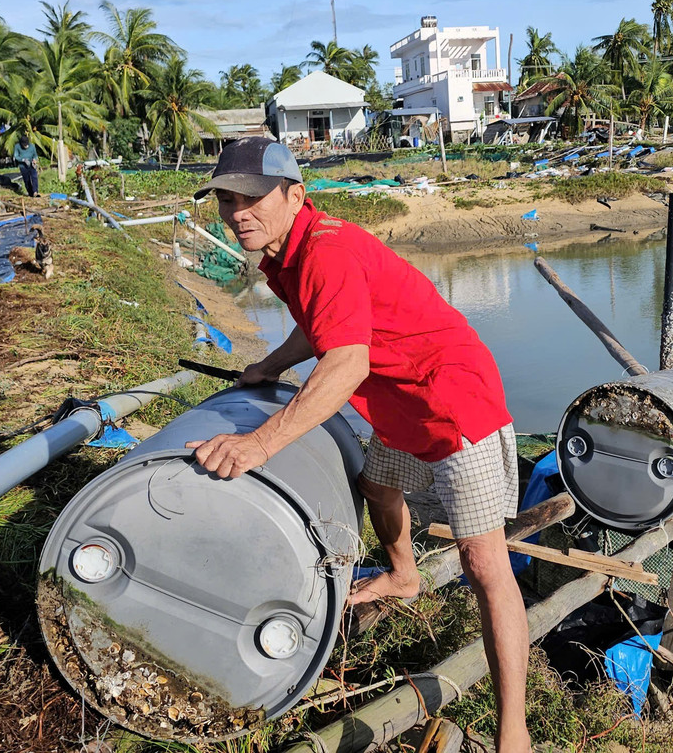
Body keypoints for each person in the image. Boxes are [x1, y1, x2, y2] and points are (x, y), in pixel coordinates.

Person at [185, 137, 531, 752]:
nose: (238, 212)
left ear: (296, 194)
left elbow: (344, 362)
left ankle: (514, 730)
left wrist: (260, 444)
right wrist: (269, 364)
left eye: (252, 198)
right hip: (399, 399)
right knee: (377, 483)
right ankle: (404, 577)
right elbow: (319, 325)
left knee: (486, 568)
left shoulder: (326, 252)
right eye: (227, 199)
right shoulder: (284, 250)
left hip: (453, 403)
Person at [13, 133, 39, 197]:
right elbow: (16, 156)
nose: (26, 146)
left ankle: (35, 191)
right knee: (27, 180)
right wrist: (23, 160)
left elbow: (35, 156)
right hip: (23, 166)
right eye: (24, 145)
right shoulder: (17, 147)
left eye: (26, 145)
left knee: (34, 177)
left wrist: (34, 160)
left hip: (31, 165)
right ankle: (30, 193)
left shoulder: (32, 146)